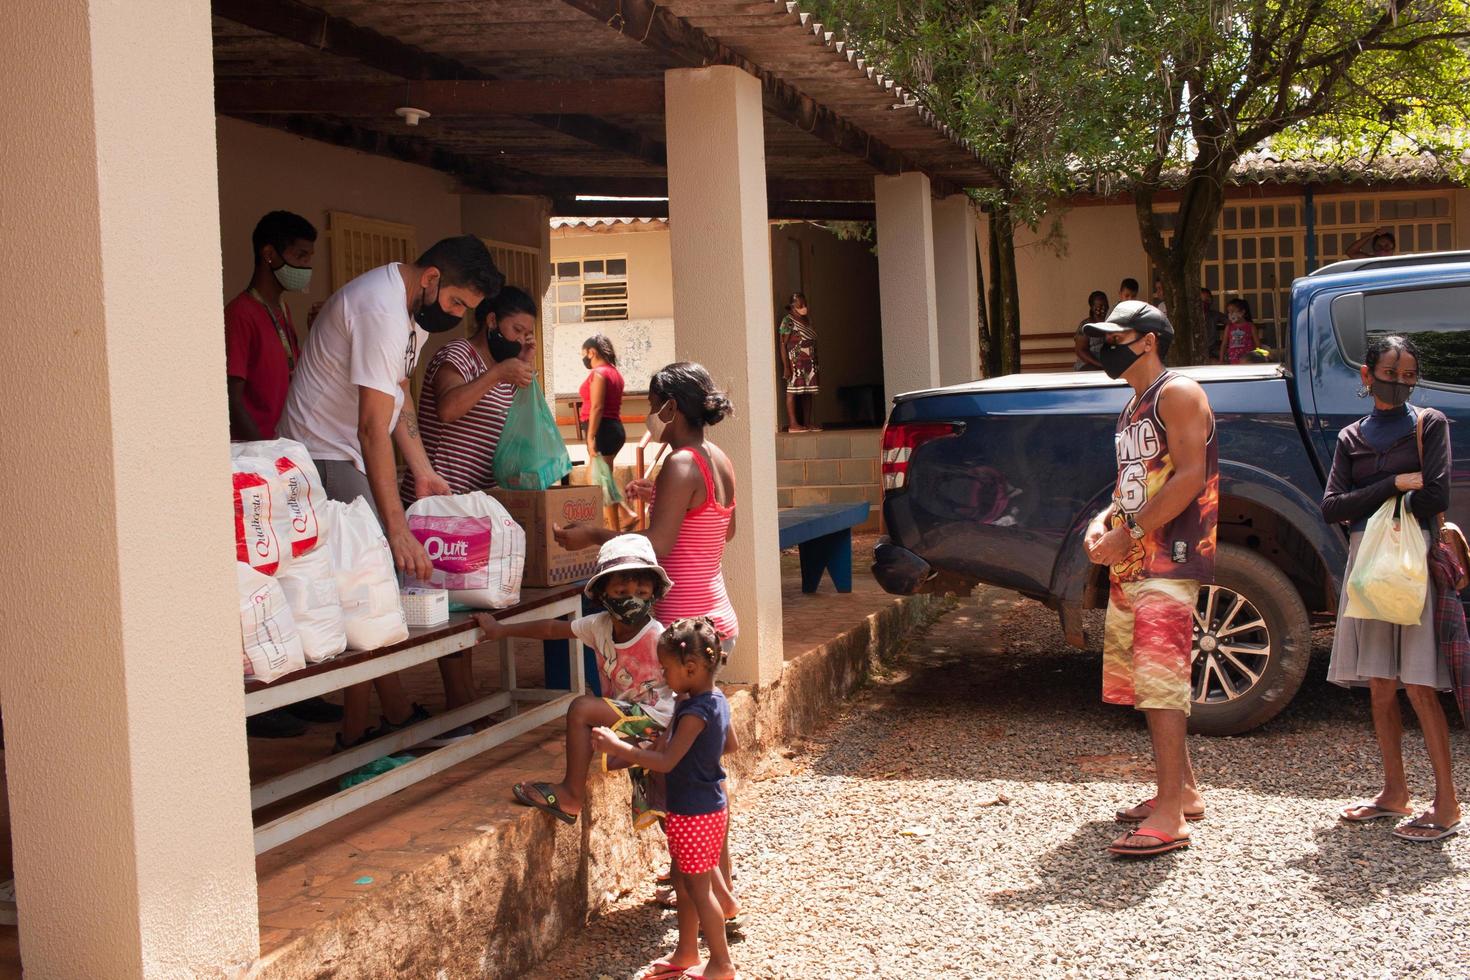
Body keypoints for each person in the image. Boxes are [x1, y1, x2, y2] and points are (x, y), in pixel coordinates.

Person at [280, 234, 505, 747]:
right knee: (371, 585)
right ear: (431, 278)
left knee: (367, 592)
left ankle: (371, 724)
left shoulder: (411, 313)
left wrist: (422, 471)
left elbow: (398, 396)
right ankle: (380, 722)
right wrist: (397, 529)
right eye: (454, 302)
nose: (454, 314)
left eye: (465, 309)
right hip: (322, 456)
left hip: (347, 451)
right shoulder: (381, 309)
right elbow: (370, 427)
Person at [554, 361, 741, 915]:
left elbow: (654, 548)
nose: (649, 416)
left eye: (654, 405)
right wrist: (657, 496)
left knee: (683, 763)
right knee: (696, 758)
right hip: (714, 616)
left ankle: (714, 892)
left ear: (671, 409)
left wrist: (594, 535)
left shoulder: (681, 463)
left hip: (678, 628)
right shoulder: (716, 459)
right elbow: (719, 528)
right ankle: (702, 873)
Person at [1082, 300, 1218, 858]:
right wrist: (1105, 522)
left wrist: (1129, 531)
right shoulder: (1134, 405)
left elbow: (1189, 478)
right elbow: (1136, 481)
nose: (1106, 347)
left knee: (1162, 680)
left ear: (1149, 341)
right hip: (1137, 556)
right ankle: (1181, 792)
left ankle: (1169, 818)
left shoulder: (1177, 393)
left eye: (1118, 337)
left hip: (1171, 554)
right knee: (1144, 677)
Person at [1321, 335, 1462, 842]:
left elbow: (1438, 495)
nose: (1398, 383)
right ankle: (1394, 792)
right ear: (1366, 374)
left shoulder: (1429, 424)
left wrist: (1377, 496)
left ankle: (1446, 804)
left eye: (1408, 375)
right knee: (1381, 683)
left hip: (1411, 560)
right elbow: (1331, 507)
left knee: (1421, 685)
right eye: (1389, 373)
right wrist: (1397, 484)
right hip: (1369, 563)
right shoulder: (1350, 436)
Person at [401, 286, 537, 739]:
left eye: (529, 334)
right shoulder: (456, 355)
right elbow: (449, 406)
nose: (521, 340)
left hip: (473, 510)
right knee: (446, 612)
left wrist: (521, 364)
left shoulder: (508, 368)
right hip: (435, 508)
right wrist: (500, 370)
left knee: (466, 611)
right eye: (517, 329)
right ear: (491, 321)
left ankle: (466, 705)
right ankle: (461, 708)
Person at [474, 535, 672, 824]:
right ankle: (688, 868)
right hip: (630, 718)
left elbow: (687, 691)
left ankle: (570, 794)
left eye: (641, 592)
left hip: (660, 722)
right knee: (667, 805)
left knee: (582, 708)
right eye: (621, 591)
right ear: (603, 594)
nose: (632, 599)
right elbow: (553, 630)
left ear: (654, 593)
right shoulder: (598, 626)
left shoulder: (658, 638)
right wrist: (501, 630)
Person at [593, 617, 737, 980]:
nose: (662, 675)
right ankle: (686, 951)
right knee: (685, 881)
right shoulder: (716, 700)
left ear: (690, 668)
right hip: (706, 805)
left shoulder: (693, 711)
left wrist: (619, 746)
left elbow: (667, 762)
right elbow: (730, 744)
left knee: (700, 891)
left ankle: (721, 963)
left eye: (667, 668)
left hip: (694, 811)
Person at [226, 210, 317, 442]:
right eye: (301, 256)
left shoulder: (283, 310)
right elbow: (231, 398)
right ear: (269, 254)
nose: (307, 266)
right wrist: (265, 453)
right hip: (256, 455)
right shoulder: (241, 313)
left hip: (283, 449)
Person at [580, 333, 628, 530]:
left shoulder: (599, 373)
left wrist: (591, 436)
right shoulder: (615, 373)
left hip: (602, 430)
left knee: (600, 481)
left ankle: (617, 527)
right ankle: (625, 515)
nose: (584, 358)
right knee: (601, 477)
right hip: (612, 428)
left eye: (584, 353)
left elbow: (597, 406)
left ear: (592, 352)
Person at [778, 292, 820, 432]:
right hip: (795, 362)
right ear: (792, 306)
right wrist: (786, 367)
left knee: (807, 392)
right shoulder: (788, 321)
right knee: (792, 391)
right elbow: (783, 344)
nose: (804, 308)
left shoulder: (807, 320)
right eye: (800, 305)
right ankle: (793, 424)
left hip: (809, 362)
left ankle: (807, 423)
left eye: (805, 304)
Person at [1073, 290, 1109, 370]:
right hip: (1088, 364)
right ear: (1092, 308)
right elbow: (1081, 351)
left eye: (1105, 305)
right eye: (1100, 306)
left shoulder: (1112, 323)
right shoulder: (1085, 325)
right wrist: (1100, 365)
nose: (1103, 308)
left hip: (1108, 364)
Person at [1218, 298, 1258, 365]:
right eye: (1228, 312)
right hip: (1232, 359)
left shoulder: (1250, 326)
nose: (1230, 314)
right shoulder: (1229, 327)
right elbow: (1224, 344)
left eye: (1233, 311)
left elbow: (1257, 344)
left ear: (1242, 312)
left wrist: (1257, 358)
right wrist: (1221, 360)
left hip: (1248, 360)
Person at [1200, 287, 1228, 360]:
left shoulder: (1214, 314)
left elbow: (1230, 322)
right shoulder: (1190, 317)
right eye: (1202, 301)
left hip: (1212, 348)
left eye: (1208, 300)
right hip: (1197, 349)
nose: (1205, 303)